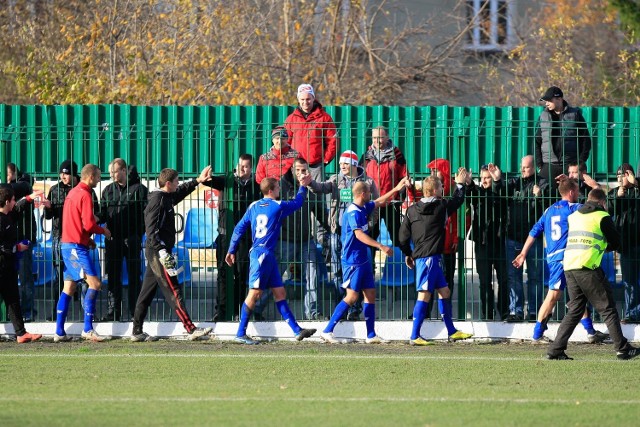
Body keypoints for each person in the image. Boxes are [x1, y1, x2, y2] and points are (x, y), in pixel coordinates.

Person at [512, 177, 609, 344]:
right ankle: (537, 334)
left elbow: (534, 231)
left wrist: (523, 253)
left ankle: (591, 332)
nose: (579, 193)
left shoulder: (549, 210)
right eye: (578, 190)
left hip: (557, 258)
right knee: (553, 295)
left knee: (577, 295)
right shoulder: (574, 208)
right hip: (562, 258)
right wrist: (595, 187)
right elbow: (595, 207)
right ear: (571, 192)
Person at [547, 189, 639, 360]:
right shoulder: (601, 216)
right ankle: (622, 348)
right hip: (587, 267)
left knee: (575, 309)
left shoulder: (574, 216)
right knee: (608, 308)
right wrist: (606, 246)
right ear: (602, 203)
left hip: (569, 266)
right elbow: (616, 242)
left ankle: (555, 350)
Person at [225, 176, 317, 345]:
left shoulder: (253, 206)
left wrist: (232, 249)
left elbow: (239, 228)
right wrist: (303, 187)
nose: (279, 190)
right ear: (271, 190)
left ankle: (297, 330)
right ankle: (240, 333)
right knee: (255, 293)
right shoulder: (278, 206)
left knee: (280, 292)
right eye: (277, 188)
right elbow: (297, 203)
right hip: (261, 255)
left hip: (267, 256)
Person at [320, 177, 410, 344]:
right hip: (353, 260)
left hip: (362, 259)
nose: (371, 194)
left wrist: (397, 187)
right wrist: (381, 246)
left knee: (370, 294)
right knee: (352, 296)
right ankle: (327, 330)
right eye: (369, 192)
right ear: (363, 194)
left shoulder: (362, 207)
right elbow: (359, 235)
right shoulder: (353, 212)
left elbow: (379, 201)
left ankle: (371, 335)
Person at [131, 167, 214, 342]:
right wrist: (161, 251)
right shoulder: (157, 200)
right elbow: (151, 230)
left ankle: (136, 331)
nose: (178, 184)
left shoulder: (166, 197)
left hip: (158, 252)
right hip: (158, 253)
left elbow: (181, 191)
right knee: (173, 290)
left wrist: (198, 181)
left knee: (146, 292)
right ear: (168, 183)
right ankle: (190, 329)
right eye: (176, 181)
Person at [399, 171, 474, 345]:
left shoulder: (411, 210)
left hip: (427, 258)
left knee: (444, 291)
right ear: (434, 190)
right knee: (424, 295)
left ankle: (452, 331)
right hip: (428, 259)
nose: (443, 189)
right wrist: (460, 184)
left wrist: (408, 253)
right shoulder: (440, 207)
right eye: (441, 186)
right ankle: (414, 336)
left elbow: (402, 238)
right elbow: (457, 200)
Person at [309, 150, 379, 320]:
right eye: (340, 164)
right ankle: (342, 303)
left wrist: (367, 225)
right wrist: (310, 182)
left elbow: (376, 206)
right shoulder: (336, 180)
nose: (342, 167)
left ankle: (354, 309)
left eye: (346, 163)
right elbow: (321, 187)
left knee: (358, 271)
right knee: (337, 269)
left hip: (358, 234)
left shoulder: (367, 182)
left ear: (354, 164)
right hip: (338, 232)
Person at [253, 158, 325, 320]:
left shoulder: (311, 188)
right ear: (292, 170)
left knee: (312, 275)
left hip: (306, 240)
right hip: (285, 239)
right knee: (274, 275)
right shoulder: (281, 187)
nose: (301, 173)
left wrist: (333, 229)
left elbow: (321, 212)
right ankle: (257, 308)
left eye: (305, 170)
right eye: (298, 170)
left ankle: (313, 313)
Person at [54, 164, 112, 342]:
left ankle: (59, 332)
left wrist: (88, 240)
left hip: (68, 244)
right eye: (99, 176)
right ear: (91, 176)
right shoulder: (85, 194)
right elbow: (88, 224)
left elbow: (74, 223)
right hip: (76, 248)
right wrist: (104, 232)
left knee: (69, 287)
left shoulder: (72, 193)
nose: (100, 180)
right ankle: (87, 328)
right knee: (95, 284)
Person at [207, 154, 261, 322]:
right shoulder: (228, 180)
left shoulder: (255, 185)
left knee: (242, 273)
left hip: (246, 236)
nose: (241, 169)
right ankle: (221, 310)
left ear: (251, 168)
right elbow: (208, 181)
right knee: (223, 273)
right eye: (239, 166)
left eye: (245, 166)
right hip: (226, 234)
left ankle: (240, 308)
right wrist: (205, 177)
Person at [499, 155, 547, 321]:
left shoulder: (542, 184)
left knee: (535, 276)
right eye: (522, 167)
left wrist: (540, 196)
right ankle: (516, 311)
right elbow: (501, 192)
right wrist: (498, 180)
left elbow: (548, 210)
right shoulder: (515, 183)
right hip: (513, 237)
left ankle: (534, 311)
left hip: (534, 239)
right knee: (514, 276)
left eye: (526, 167)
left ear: (534, 168)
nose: (523, 170)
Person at [100, 158, 148, 321]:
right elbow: (103, 213)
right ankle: (113, 311)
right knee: (113, 276)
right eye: (111, 172)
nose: (112, 175)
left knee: (135, 276)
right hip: (113, 239)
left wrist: (139, 232)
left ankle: (135, 311)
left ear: (124, 171)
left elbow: (146, 214)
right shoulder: (108, 190)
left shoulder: (139, 189)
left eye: (115, 171)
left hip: (132, 238)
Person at [466, 164, 509, 320]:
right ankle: (487, 313)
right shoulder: (478, 193)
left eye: (487, 178)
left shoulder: (501, 191)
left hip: (499, 242)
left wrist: (497, 181)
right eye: (482, 178)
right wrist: (470, 183)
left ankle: (504, 311)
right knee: (484, 281)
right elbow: (470, 193)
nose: (483, 181)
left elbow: (502, 195)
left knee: (504, 280)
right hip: (482, 243)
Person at [0, 184, 42, 343]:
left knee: (13, 300)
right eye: (12, 200)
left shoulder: (8, 216)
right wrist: (16, 247)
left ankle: (21, 333)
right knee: (11, 299)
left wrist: (31, 197)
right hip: (1, 267)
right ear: (5, 201)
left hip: (8, 267)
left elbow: (18, 208)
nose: (14, 202)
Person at [43, 160, 81, 319]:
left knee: (80, 275)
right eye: (61, 173)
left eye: (66, 173)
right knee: (59, 275)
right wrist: (48, 207)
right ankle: (57, 312)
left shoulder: (81, 189)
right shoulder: (55, 189)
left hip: (77, 238)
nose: (63, 176)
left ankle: (82, 311)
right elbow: (48, 217)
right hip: (59, 236)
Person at [360, 126, 408, 247]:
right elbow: (360, 175)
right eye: (375, 137)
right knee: (370, 237)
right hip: (372, 203)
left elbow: (404, 176)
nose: (377, 140)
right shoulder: (367, 154)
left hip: (391, 203)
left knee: (397, 237)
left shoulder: (397, 154)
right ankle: (369, 264)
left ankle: (399, 264)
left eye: (380, 137)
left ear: (387, 138)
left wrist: (400, 197)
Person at [424, 158, 461, 318]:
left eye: (435, 170)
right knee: (428, 283)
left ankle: (445, 314)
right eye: (431, 170)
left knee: (446, 282)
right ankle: (426, 315)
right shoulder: (432, 191)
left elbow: (459, 217)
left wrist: (455, 237)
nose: (432, 173)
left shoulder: (452, 189)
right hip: (433, 247)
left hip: (447, 245)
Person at [535, 86, 592, 183]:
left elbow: (586, 140)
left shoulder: (575, 115)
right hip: (548, 165)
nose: (546, 103)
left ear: (559, 99)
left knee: (571, 195)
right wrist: (540, 165)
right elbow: (537, 141)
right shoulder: (543, 116)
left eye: (549, 100)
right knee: (545, 195)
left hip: (569, 165)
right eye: (545, 101)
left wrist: (580, 162)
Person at [284, 84, 338, 182]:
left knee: (316, 195)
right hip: (297, 166)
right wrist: (289, 161)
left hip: (316, 166)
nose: (305, 102)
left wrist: (325, 160)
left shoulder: (325, 118)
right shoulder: (291, 119)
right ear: (298, 100)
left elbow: (332, 141)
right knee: (296, 195)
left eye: (308, 99)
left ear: (313, 98)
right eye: (302, 99)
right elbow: (285, 142)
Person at [608, 163, 640, 322]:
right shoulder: (615, 193)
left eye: (625, 174)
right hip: (626, 244)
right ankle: (632, 314)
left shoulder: (637, 189)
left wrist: (636, 184)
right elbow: (607, 209)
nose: (621, 178)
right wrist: (616, 198)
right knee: (629, 281)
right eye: (619, 175)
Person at [6, 163, 37, 321]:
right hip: (10, 240)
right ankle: (14, 312)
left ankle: (27, 311)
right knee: (10, 278)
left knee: (25, 277)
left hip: (23, 236)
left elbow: (25, 185)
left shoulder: (23, 184)